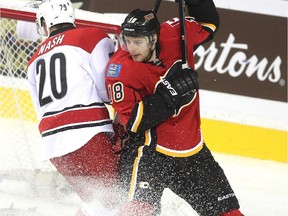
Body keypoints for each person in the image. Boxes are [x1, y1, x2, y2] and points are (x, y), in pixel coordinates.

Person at [105, 0, 244, 215]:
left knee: (229, 212)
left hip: (192, 151)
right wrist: (171, 93)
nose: (131, 48)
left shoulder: (176, 34)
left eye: (137, 42)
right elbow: (135, 122)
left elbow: (209, 22)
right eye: (128, 41)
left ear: (153, 38)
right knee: (139, 212)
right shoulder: (120, 69)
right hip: (148, 152)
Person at [27, 0, 119, 215]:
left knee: (96, 203)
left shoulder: (33, 59)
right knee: (116, 199)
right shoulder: (92, 37)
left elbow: (39, 109)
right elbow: (108, 91)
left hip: (54, 145)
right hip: (88, 135)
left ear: (46, 21)